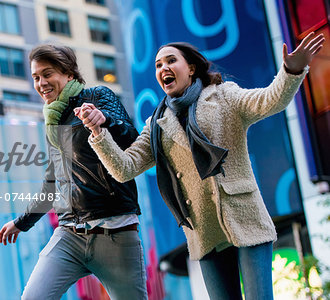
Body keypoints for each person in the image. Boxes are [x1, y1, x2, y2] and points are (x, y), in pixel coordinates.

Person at [75, 32, 325, 299]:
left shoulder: (223, 96)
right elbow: (124, 168)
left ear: (191, 68)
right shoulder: (156, 124)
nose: (163, 68)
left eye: (171, 60)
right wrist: (98, 131)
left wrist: (291, 70)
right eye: (158, 65)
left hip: (244, 216)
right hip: (204, 232)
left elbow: (269, 101)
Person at [0, 44, 147, 300]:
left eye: (48, 74)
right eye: (36, 77)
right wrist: (21, 223)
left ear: (68, 74)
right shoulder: (53, 121)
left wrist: (104, 120)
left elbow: (132, 139)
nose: (41, 83)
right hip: (69, 235)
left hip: (115, 234)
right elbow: (52, 182)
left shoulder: (97, 96)